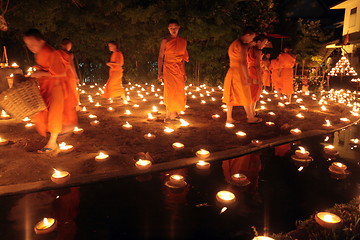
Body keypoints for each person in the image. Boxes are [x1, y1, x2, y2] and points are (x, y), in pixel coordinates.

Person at [23, 29, 77, 154]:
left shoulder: (50, 52)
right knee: (46, 112)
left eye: (33, 44)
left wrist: (40, 73)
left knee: (55, 114)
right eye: (28, 45)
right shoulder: (41, 52)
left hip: (56, 87)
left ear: (41, 41)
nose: (31, 47)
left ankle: (52, 143)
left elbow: (61, 72)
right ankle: (57, 134)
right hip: (47, 86)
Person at [223, 28, 260, 124]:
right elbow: (243, 62)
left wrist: (248, 45)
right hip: (239, 72)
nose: (252, 40)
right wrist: (246, 76)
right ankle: (251, 117)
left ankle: (229, 118)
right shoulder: (242, 45)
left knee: (231, 94)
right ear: (247, 35)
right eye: (252, 37)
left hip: (231, 71)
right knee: (245, 93)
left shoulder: (234, 43)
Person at [158, 19, 189, 121]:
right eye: (171, 28)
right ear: (168, 29)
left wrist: (184, 73)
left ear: (178, 28)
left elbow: (183, 59)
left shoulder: (183, 42)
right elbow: (160, 57)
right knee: (170, 91)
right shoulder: (165, 41)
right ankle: (170, 114)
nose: (173, 30)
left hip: (179, 69)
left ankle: (175, 112)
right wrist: (160, 72)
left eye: (175, 28)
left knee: (179, 91)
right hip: (168, 68)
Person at [248, 34, 269, 120]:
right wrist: (260, 80)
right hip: (255, 73)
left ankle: (251, 112)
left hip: (249, 72)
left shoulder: (251, 49)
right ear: (259, 42)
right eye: (264, 43)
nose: (265, 45)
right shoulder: (258, 51)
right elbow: (257, 66)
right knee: (255, 94)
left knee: (251, 93)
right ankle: (251, 114)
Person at [57, 38, 80, 107]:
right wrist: (76, 77)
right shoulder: (69, 54)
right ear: (68, 45)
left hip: (60, 73)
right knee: (72, 88)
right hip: (68, 73)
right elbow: (71, 65)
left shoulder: (57, 53)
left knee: (63, 88)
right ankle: (74, 104)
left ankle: (64, 104)